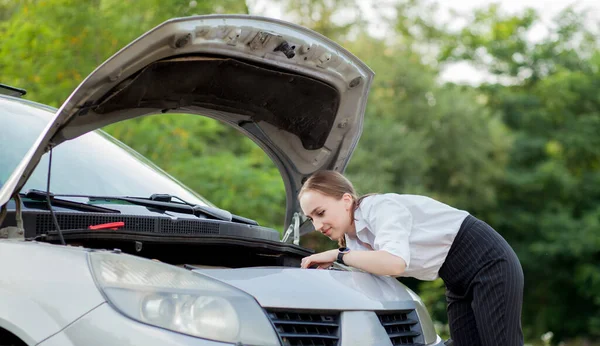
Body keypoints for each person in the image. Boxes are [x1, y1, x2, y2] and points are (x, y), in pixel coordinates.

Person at [299, 170, 524, 346]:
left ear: (346, 200)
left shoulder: (379, 208)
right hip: (455, 278)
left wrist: (338, 255)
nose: (317, 226)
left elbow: (395, 263)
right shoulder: (353, 243)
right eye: (311, 219)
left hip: (486, 260)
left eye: (321, 213)